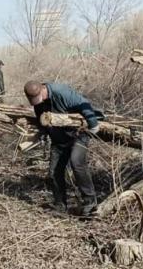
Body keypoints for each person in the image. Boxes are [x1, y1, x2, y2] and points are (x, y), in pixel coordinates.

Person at [24, 81, 100, 216]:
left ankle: (90, 203)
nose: (36, 103)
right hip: (59, 139)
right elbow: (40, 118)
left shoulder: (61, 92)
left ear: (42, 90)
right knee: (54, 171)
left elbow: (84, 104)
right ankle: (60, 205)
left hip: (78, 133)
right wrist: (44, 132)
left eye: (37, 98)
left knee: (76, 162)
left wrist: (93, 124)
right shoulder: (39, 102)